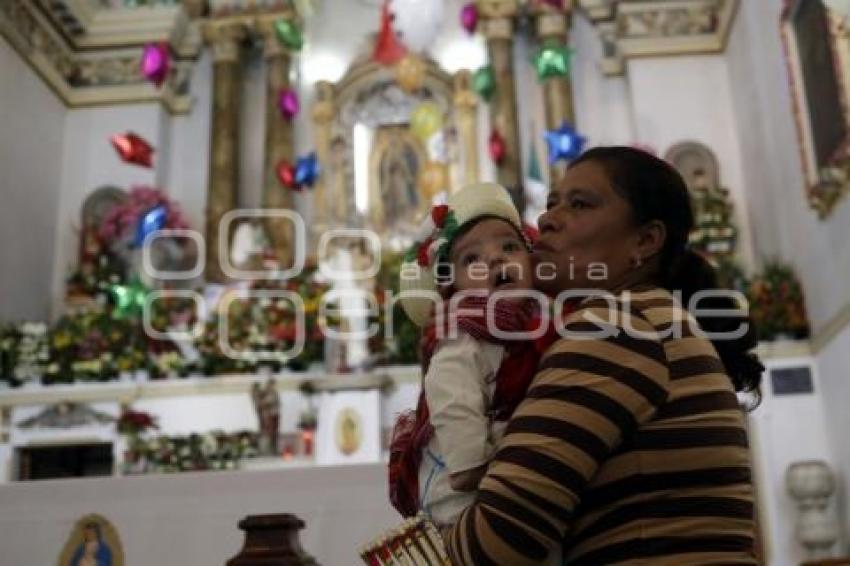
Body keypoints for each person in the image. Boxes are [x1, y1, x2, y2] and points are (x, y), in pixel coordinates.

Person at [443, 146, 763, 564]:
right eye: (552, 202)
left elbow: (497, 543)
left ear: (644, 241)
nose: (545, 219)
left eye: (579, 204)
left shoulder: (615, 329)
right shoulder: (646, 318)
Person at [388, 182, 562, 527]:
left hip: (519, 477)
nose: (495, 258)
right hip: (465, 493)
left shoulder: (540, 321)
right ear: (453, 288)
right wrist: (469, 462)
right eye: (472, 259)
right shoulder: (462, 332)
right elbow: (453, 398)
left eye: (510, 246)